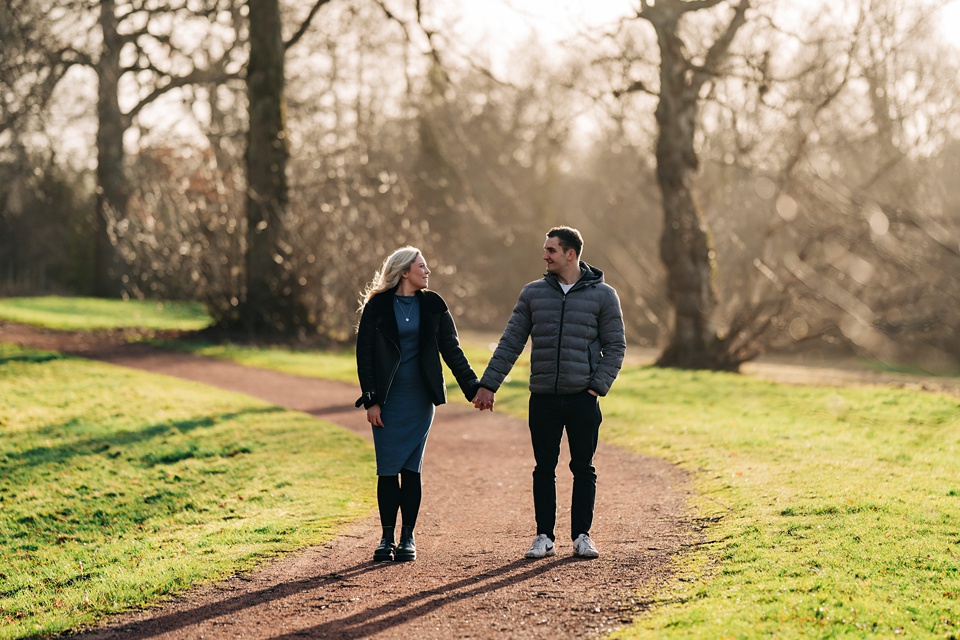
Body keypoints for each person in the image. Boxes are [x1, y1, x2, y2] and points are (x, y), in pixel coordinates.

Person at [473, 226, 625, 559]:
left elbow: (615, 346)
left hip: (583, 397)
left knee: (583, 467)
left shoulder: (604, 295)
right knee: (544, 468)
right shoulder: (532, 294)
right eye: (545, 250)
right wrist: (488, 384)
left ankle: (582, 536)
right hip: (542, 397)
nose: (545, 256)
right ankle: (544, 536)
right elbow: (511, 342)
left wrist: (596, 387)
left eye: (551, 250)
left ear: (571, 254)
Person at [355, 246, 481, 563]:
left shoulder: (434, 305)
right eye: (422, 266)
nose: (427, 272)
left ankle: (407, 537)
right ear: (404, 271)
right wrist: (371, 399)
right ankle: (386, 538)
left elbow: (452, 351)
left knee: (412, 469)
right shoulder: (378, 307)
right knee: (387, 469)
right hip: (387, 400)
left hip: (421, 399)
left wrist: (474, 388)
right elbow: (365, 356)